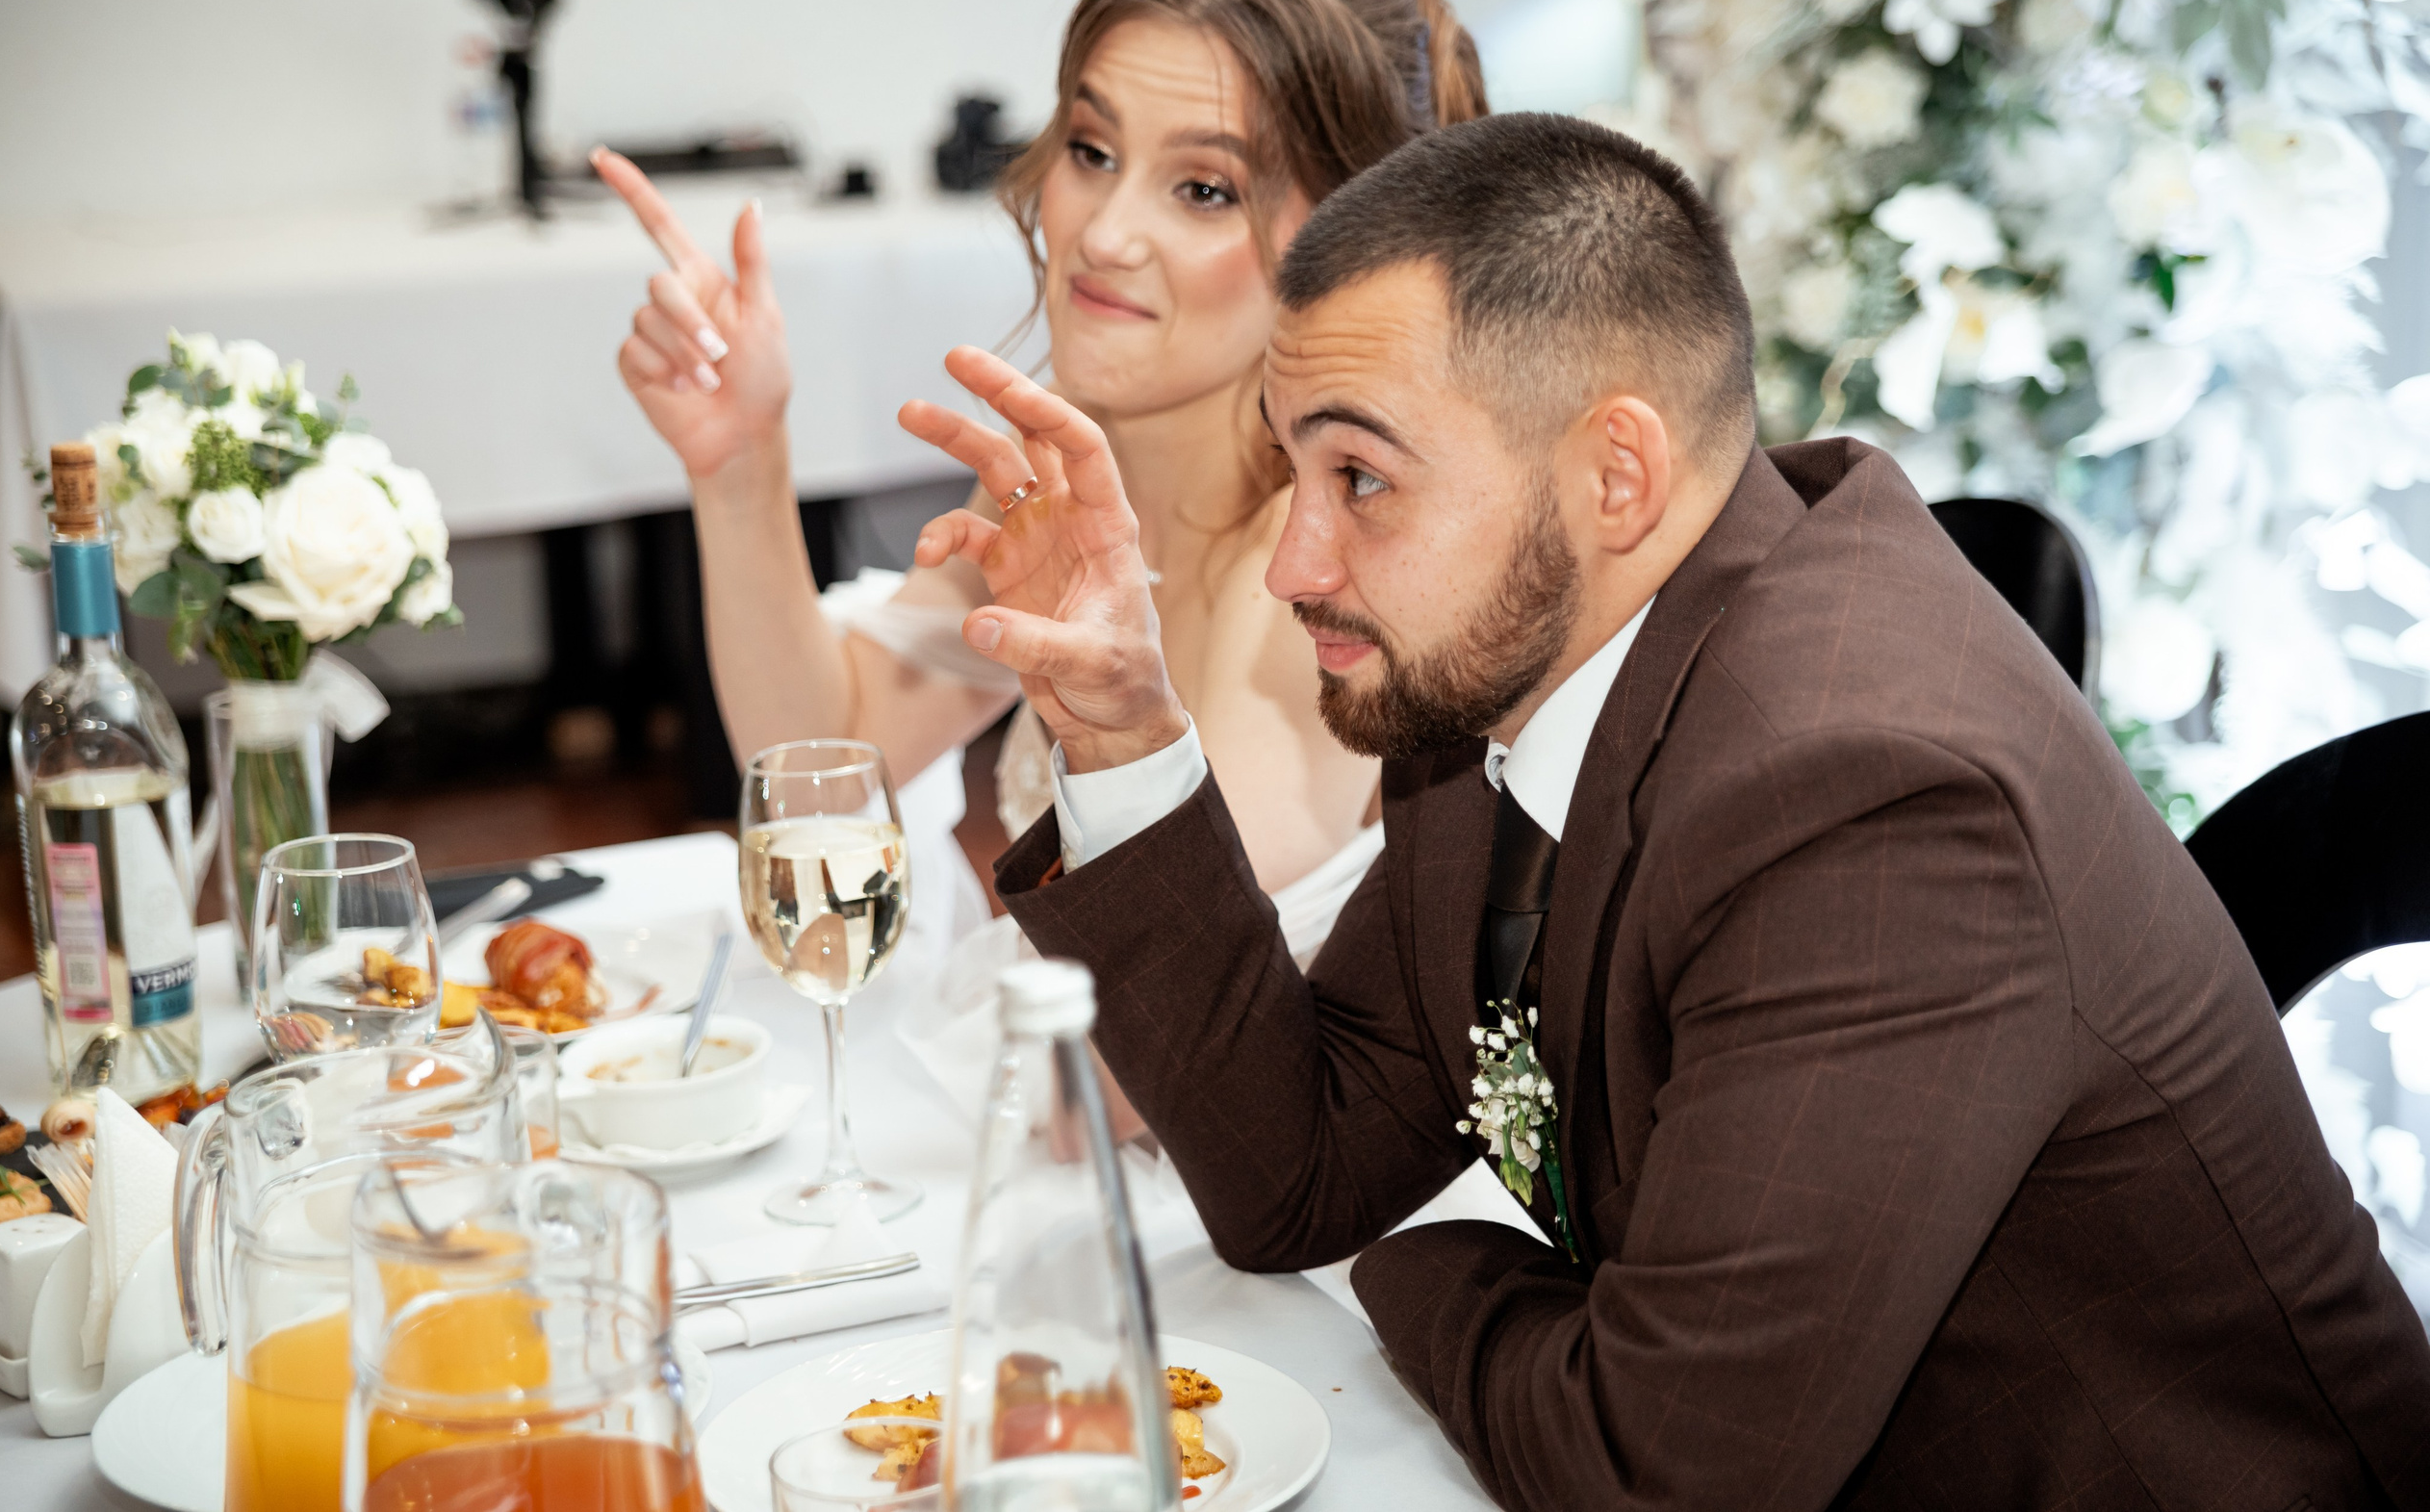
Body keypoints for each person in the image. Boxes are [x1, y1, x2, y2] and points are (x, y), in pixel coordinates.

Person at [900, 112, 2430, 1509]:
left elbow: (1663, 1474)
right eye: (1293, 467)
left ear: (1614, 472)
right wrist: (1122, 729)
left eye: (1361, 476)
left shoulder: (1876, 798)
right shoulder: (1517, 658)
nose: (1297, 561)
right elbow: (1296, 1163)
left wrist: (1433, 1270)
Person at [587, 0, 1484, 1093]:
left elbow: (1158, 1037)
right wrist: (740, 464)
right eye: (1092, 151)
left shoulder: (1321, 560)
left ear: (1344, 239)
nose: (1104, 232)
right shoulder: (1065, 457)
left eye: (1204, 188)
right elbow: (819, 764)